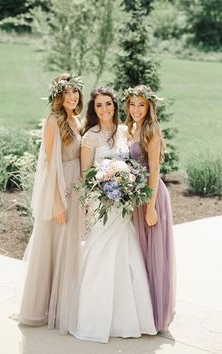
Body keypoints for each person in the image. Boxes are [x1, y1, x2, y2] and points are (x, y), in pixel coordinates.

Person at [71, 87, 156, 343]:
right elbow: (85, 174)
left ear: (115, 106)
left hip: (124, 205)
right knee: (100, 252)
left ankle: (128, 317)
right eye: (99, 105)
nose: (105, 109)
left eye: (108, 104)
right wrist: (105, 182)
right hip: (103, 204)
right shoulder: (90, 137)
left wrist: (125, 183)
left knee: (126, 253)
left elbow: (133, 164)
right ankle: (94, 317)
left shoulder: (123, 131)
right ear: (93, 109)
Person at [18, 73, 84, 333]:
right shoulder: (53, 121)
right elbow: (48, 165)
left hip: (74, 189)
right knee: (51, 249)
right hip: (59, 191)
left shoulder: (75, 119)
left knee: (67, 250)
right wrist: (57, 203)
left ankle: (61, 307)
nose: (72, 97)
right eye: (67, 93)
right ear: (58, 96)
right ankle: (40, 309)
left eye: (75, 92)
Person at [125, 84, 176, 332]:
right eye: (133, 104)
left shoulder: (151, 130)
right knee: (140, 254)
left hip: (151, 195)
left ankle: (157, 315)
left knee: (154, 254)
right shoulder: (132, 129)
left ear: (149, 107)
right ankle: (141, 311)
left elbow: (154, 170)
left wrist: (150, 207)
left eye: (141, 105)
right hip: (136, 196)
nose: (136, 109)